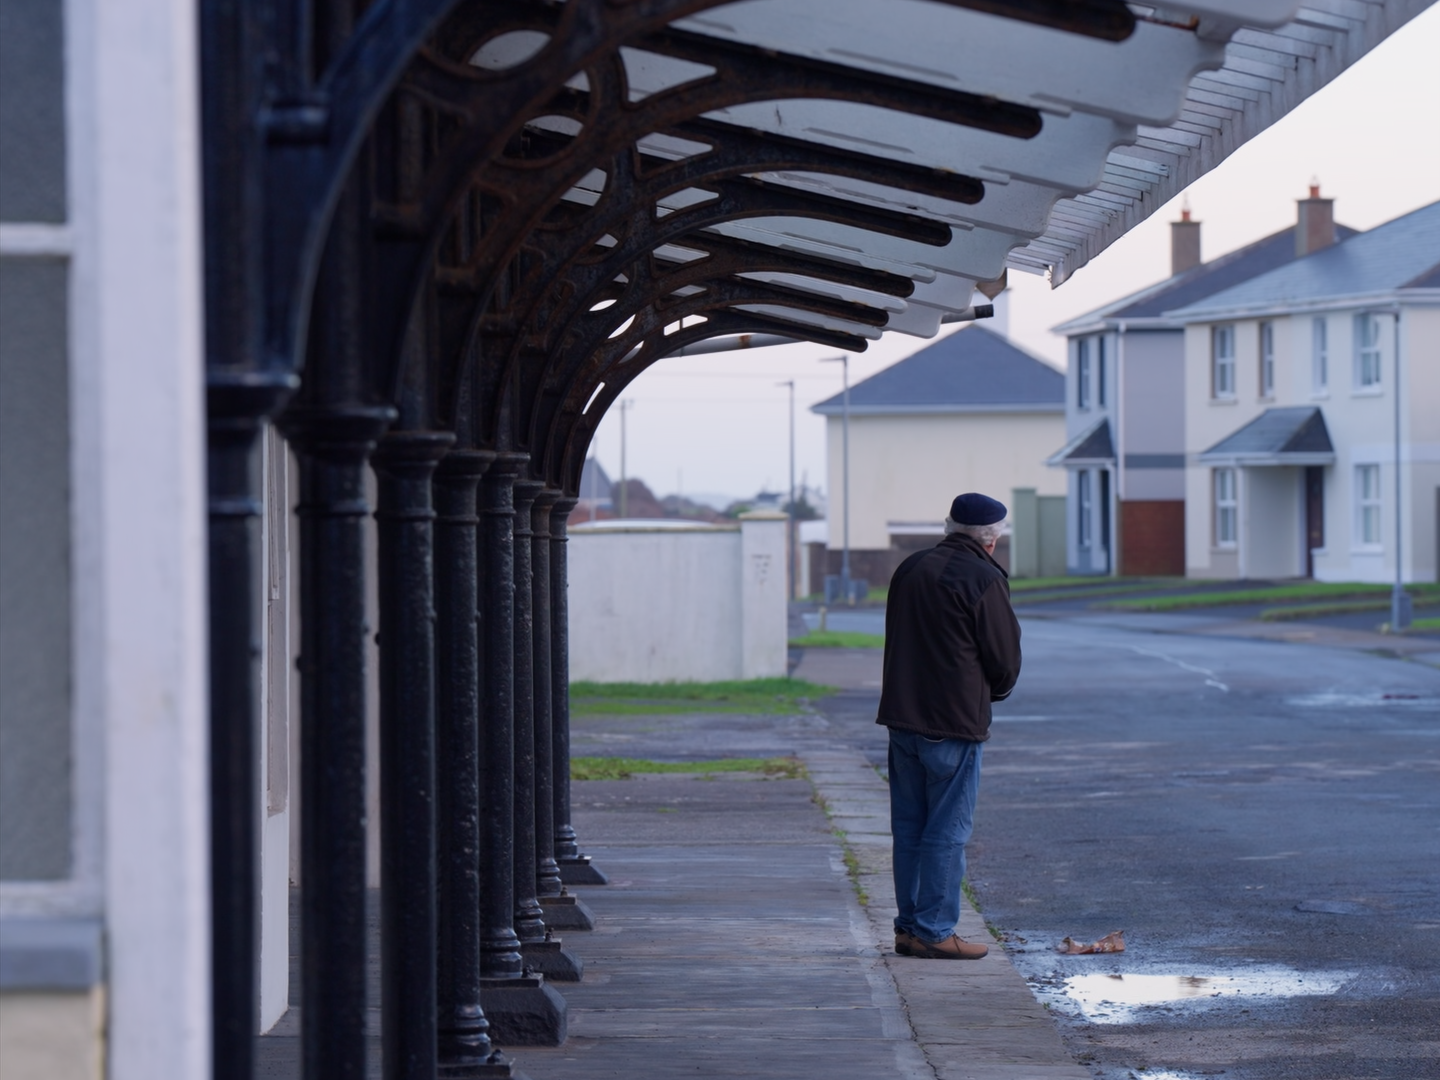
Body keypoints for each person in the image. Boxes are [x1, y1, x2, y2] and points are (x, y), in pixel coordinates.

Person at [878, 492, 1021, 960]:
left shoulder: (910, 568)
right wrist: (992, 692)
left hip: (902, 719)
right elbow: (1004, 658)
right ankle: (936, 931)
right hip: (953, 723)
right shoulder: (984, 577)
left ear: (949, 527)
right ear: (992, 540)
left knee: (910, 827)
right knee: (947, 830)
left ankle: (908, 928)